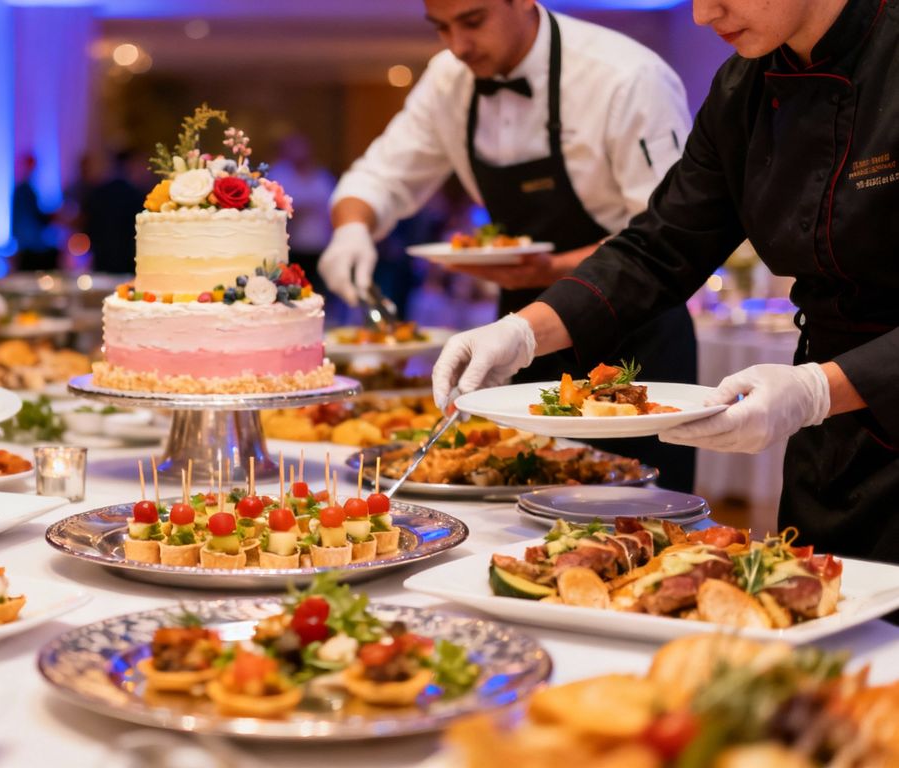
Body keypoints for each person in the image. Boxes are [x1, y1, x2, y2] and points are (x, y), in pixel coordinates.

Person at [435, 0, 899, 562]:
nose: (703, 15)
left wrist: (819, 390)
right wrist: (523, 331)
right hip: (831, 443)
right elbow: (660, 247)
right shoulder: (741, 89)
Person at [321, 0, 700, 491]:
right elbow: (379, 177)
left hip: (631, 324)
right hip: (518, 329)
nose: (458, 46)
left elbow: (668, 232)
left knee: (637, 509)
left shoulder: (626, 77)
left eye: (473, 22)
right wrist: (351, 229)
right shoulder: (447, 80)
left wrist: (553, 267)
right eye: (441, 28)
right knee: (519, 496)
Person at [267, 134, 336, 297]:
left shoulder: (322, 176)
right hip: (291, 245)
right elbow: (273, 208)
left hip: (319, 244)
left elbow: (332, 206)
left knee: (318, 292)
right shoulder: (279, 174)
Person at [80, 150, 146, 274]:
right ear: (130, 165)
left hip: (102, 258)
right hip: (128, 260)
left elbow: (88, 225)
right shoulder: (136, 195)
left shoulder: (98, 192)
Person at [12, 153, 59, 271]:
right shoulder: (25, 190)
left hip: (25, 242)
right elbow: (35, 216)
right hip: (30, 244)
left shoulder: (23, 189)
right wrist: (52, 216)